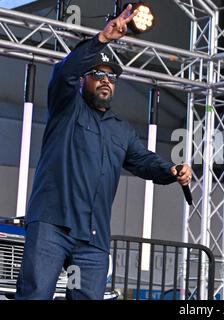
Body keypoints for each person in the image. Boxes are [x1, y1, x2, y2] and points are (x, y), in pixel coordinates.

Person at [16, 5, 192, 300]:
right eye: (98, 73)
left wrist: (170, 171)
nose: (106, 80)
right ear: (85, 79)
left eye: (112, 77)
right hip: (52, 226)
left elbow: (142, 160)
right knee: (35, 296)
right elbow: (65, 72)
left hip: (92, 239)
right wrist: (102, 39)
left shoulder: (119, 129)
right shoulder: (66, 107)